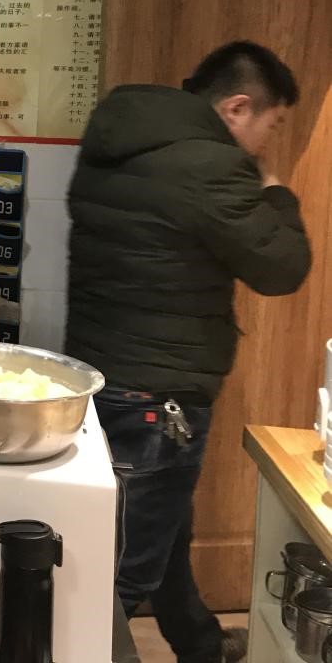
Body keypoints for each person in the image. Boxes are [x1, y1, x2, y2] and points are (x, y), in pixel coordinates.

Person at [67, 41, 311, 663]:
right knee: (125, 574)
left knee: (163, 529)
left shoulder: (115, 139)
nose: (267, 142)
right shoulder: (211, 166)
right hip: (160, 396)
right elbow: (283, 266)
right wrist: (276, 192)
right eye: (272, 124)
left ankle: (199, 644)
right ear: (237, 108)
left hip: (100, 375)